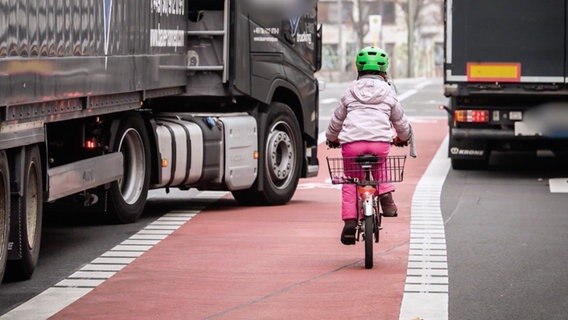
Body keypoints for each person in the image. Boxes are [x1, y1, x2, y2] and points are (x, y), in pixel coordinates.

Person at [325, 46, 412, 245]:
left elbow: (336, 120)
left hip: (351, 145)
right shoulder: (388, 92)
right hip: (379, 144)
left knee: (349, 180)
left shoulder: (350, 91)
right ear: (384, 70)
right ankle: (386, 199)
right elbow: (400, 121)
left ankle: (349, 221)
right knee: (380, 167)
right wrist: (403, 137)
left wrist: (331, 137)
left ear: (358, 68)